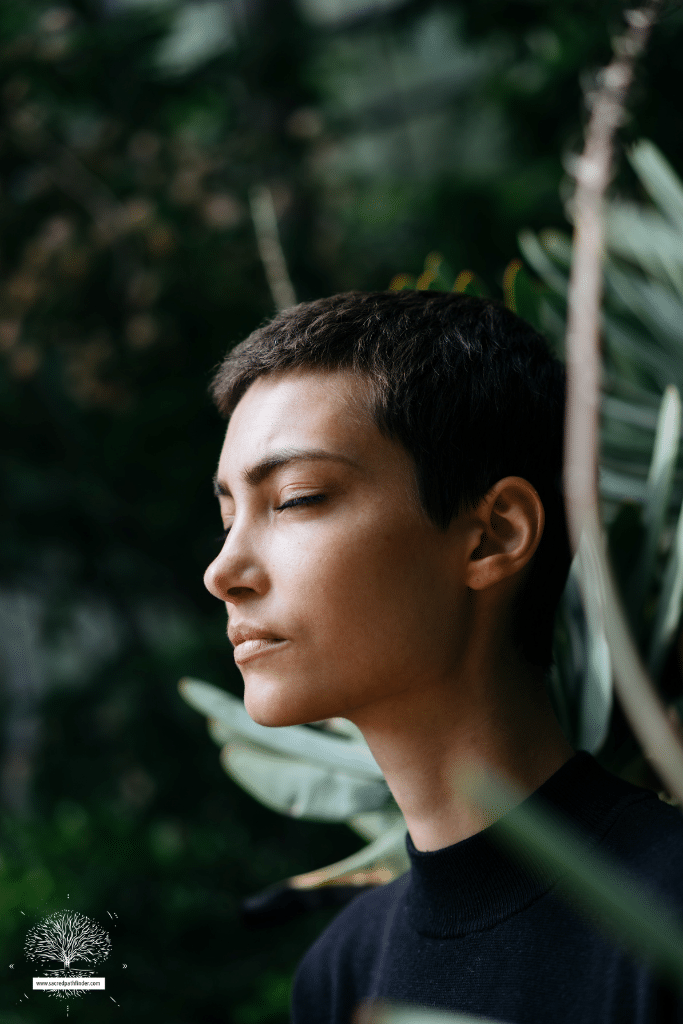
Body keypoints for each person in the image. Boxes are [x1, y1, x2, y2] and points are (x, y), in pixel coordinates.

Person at [203, 290, 683, 1023]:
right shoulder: (342, 973)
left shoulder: (666, 913)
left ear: (492, 536)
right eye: (228, 515)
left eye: (295, 498)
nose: (223, 570)